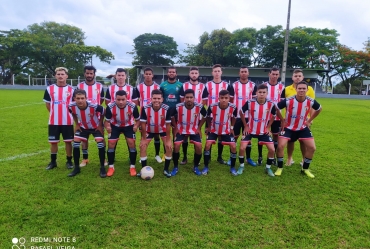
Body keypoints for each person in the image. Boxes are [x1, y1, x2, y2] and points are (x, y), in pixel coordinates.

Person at [275, 81, 322, 178]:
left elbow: (319, 109)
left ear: (307, 89)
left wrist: (309, 120)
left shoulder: (310, 100)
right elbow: (276, 107)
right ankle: (280, 168)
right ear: (296, 89)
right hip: (288, 128)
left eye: (303, 88)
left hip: (302, 128)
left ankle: (305, 169)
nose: (301, 90)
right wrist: (282, 120)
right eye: (299, 88)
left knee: (312, 148)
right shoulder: (289, 100)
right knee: (280, 146)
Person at [238, 84, 277, 177]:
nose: (262, 94)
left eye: (264, 92)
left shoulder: (271, 104)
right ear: (256, 93)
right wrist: (245, 126)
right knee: (242, 148)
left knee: (272, 149)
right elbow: (241, 112)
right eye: (260, 92)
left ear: (267, 93)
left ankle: (268, 168)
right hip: (250, 130)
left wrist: (268, 127)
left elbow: (274, 115)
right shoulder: (249, 102)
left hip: (263, 131)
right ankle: (241, 166)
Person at [280, 69, 315, 166]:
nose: (297, 77)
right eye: (295, 76)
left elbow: (312, 105)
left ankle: (304, 159)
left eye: (299, 76)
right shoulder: (286, 89)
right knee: (290, 141)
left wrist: (311, 119)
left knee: (303, 140)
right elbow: (281, 105)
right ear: (292, 77)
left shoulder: (310, 89)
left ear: (302, 77)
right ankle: (289, 159)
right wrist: (283, 118)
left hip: (304, 120)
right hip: (290, 121)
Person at [68, 89, 106, 178]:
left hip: (95, 127)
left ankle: (102, 167)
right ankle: (76, 168)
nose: (80, 100)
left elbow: (104, 111)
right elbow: (73, 113)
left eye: (82, 98)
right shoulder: (71, 106)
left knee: (100, 143)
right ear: (74, 98)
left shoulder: (94, 106)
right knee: (76, 144)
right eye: (78, 98)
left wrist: (100, 124)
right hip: (83, 127)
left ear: (86, 98)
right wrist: (77, 124)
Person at [43, 67, 74, 170]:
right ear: (55, 76)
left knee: (68, 141)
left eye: (62, 74)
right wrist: (54, 113)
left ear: (66, 76)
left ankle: (69, 161)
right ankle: (53, 162)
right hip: (53, 121)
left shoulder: (71, 90)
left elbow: (74, 105)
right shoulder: (49, 89)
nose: (60, 76)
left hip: (68, 121)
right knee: (53, 142)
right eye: (58, 74)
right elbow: (47, 104)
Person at [203, 64, 234, 165]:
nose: (217, 73)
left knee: (221, 136)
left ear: (221, 72)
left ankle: (219, 157)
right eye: (215, 71)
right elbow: (204, 100)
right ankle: (208, 157)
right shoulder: (207, 85)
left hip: (224, 115)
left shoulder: (227, 85)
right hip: (211, 116)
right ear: (212, 73)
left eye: (218, 71)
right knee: (209, 136)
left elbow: (231, 100)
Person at [104, 90, 140, 177]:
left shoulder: (133, 106)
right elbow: (106, 121)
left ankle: (132, 166)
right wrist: (108, 127)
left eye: (123, 99)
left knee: (131, 143)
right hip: (115, 125)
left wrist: (136, 126)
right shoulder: (110, 106)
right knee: (111, 144)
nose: (120, 102)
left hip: (129, 126)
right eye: (118, 99)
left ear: (126, 98)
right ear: (115, 99)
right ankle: (111, 167)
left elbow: (138, 119)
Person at [172, 89, 207, 176]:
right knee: (176, 145)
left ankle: (195, 167)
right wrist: (176, 128)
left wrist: (199, 128)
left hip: (194, 129)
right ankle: (175, 167)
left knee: (199, 146)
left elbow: (206, 116)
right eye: (187, 97)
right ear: (184, 98)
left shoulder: (199, 106)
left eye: (191, 97)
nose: (189, 99)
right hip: (181, 129)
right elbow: (172, 116)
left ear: (194, 98)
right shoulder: (178, 106)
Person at [139, 89, 173, 178]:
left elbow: (168, 125)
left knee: (169, 148)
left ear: (162, 99)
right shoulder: (145, 108)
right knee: (142, 147)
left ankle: (166, 169)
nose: (156, 100)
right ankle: (143, 170)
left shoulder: (167, 108)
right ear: (151, 99)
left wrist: (169, 140)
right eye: (154, 98)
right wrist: (143, 139)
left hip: (163, 130)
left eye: (158, 98)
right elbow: (142, 124)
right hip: (149, 130)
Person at [203, 90, 238, 175]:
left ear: (229, 98)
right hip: (214, 130)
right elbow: (207, 116)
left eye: (226, 98)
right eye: (222, 98)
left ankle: (232, 167)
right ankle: (206, 167)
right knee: (207, 145)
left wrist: (232, 127)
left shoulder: (233, 107)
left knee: (233, 146)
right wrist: (208, 126)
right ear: (219, 98)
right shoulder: (212, 106)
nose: (224, 100)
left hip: (226, 131)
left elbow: (234, 117)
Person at [76, 65, 105, 167]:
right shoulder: (79, 86)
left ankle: (104, 158)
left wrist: (94, 108)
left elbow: (101, 100)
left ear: (94, 74)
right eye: (87, 73)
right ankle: (85, 159)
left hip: (97, 118)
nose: (89, 75)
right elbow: (76, 101)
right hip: (83, 118)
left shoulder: (100, 86)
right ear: (84, 73)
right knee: (84, 139)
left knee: (101, 138)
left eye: (91, 73)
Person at [178, 66, 207, 165]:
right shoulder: (184, 85)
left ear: (198, 74)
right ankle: (185, 157)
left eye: (196, 73)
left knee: (196, 137)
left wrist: (198, 109)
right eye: (192, 73)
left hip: (197, 116)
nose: (194, 75)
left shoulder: (203, 86)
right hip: (185, 116)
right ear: (189, 74)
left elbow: (204, 100)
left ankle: (196, 160)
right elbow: (182, 100)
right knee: (184, 138)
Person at [134, 67, 163, 163]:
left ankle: (157, 155)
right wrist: (143, 107)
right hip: (144, 115)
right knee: (143, 134)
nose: (148, 75)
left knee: (156, 135)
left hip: (156, 114)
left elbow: (160, 100)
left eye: (150, 74)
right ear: (144, 75)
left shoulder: (158, 87)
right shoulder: (139, 87)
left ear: (152, 75)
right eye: (146, 74)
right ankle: (143, 155)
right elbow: (136, 100)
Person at [230, 66, 257, 166]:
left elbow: (255, 101)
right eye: (242, 72)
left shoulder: (253, 85)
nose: (244, 73)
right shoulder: (234, 85)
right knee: (235, 137)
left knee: (247, 138)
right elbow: (231, 100)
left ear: (248, 73)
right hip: (236, 116)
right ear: (239, 73)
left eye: (245, 72)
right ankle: (231, 157)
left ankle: (248, 158)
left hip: (248, 116)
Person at [261, 67, 285, 165]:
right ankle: (260, 157)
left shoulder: (282, 87)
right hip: (264, 116)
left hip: (277, 117)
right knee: (262, 135)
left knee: (276, 136)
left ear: (278, 75)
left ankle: (273, 157)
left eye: (276, 74)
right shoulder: (264, 86)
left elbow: (283, 103)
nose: (274, 76)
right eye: (273, 74)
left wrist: (283, 118)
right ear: (269, 74)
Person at [160, 66, 183, 160]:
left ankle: (175, 153)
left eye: (173, 72)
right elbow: (160, 99)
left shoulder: (181, 85)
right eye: (170, 72)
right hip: (166, 112)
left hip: (177, 113)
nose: (171, 73)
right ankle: (166, 153)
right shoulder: (162, 85)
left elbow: (182, 99)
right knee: (165, 133)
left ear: (176, 74)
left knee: (176, 133)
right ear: (167, 73)